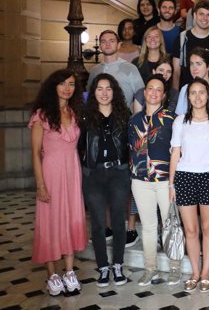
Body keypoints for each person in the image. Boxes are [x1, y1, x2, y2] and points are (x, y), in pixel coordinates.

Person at [30, 69, 87, 296]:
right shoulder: (41, 115)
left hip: (73, 172)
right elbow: (35, 153)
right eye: (62, 83)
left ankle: (69, 271)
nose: (67, 88)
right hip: (51, 173)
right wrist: (40, 184)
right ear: (53, 86)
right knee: (51, 220)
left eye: (71, 84)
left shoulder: (75, 112)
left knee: (71, 218)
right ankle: (52, 274)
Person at [80, 74, 132, 288]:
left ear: (114, 91)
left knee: (119, 221)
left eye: (108, 88)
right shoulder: (84, 116)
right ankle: (103, 267)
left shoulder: (124, 115)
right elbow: (77, 146)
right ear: (94, 93)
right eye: (99, 88)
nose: (104, 93)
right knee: (99, 224)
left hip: (119, 173)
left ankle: (117, 265)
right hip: (93, 175)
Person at [128, 74, 181, 286]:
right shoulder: (133, 120)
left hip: (165, 180)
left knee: (171, 224)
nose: (154, 92)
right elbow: (130, 150)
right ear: (144, 92)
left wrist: (174, 182)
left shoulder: (172, 118)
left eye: (159, 89)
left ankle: (174, 268)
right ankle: (151, 268)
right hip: (140, 180)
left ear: (164, 95)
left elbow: (178, 151)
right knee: (149, 226)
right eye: (151, 88)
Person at [169, 78, 209, 293]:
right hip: (185, 176)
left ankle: (206, 273)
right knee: (190, 229)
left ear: (208, 95)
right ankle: (195, 272)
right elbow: (175, 153)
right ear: (187, 97)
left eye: (201, 92)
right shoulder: (180, 121)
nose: (197, 97)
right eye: (193, 93)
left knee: (208, 228)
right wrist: (171, 184)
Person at [172, 0, 209, 91]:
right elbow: (176, 72)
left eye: (208, 15)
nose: (205, 18)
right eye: (201, 14)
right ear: (195, 16)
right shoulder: (182, 38)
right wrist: (175, 96)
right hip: (188, 94)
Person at [88, 30, 145, 111]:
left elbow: (141, 95)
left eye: (111, 41)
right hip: (99, 118)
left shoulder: (130, 68)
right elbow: (89, 95)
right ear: (100, 46)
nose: (107, 44)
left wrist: (137, 116)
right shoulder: (94, 70)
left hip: (125, 118)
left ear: (118, 45)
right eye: (104, 41)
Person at [175, 47, 209, 116]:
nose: (194, 68)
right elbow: (179, 117)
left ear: (208, 67)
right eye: (191, 64)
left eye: (199, 64)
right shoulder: (185, 88)